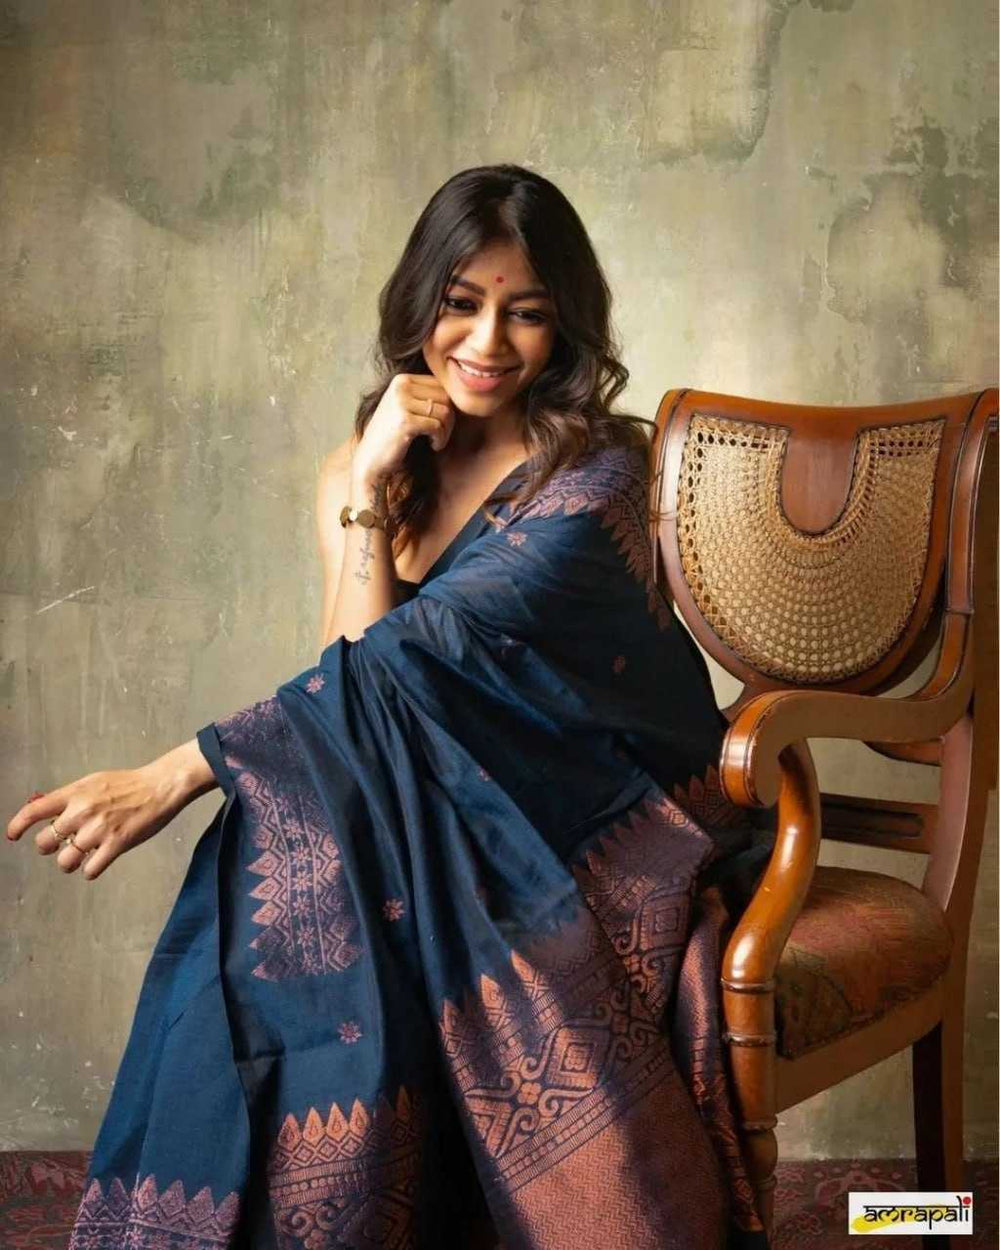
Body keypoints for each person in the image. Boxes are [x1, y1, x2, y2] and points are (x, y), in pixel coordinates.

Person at [6, 164, 770, 1248]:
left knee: (297, 859)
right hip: (437, 804)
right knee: (288, 873)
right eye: (462, 302)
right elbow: (349, 675)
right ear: (420, 302)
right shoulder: (366, 466)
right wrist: (368, 487)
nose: (488, 341)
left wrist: (180, 771)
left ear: (566, 326)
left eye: (526, 312)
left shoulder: (600, 473)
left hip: (596, 810)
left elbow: (420, 654)